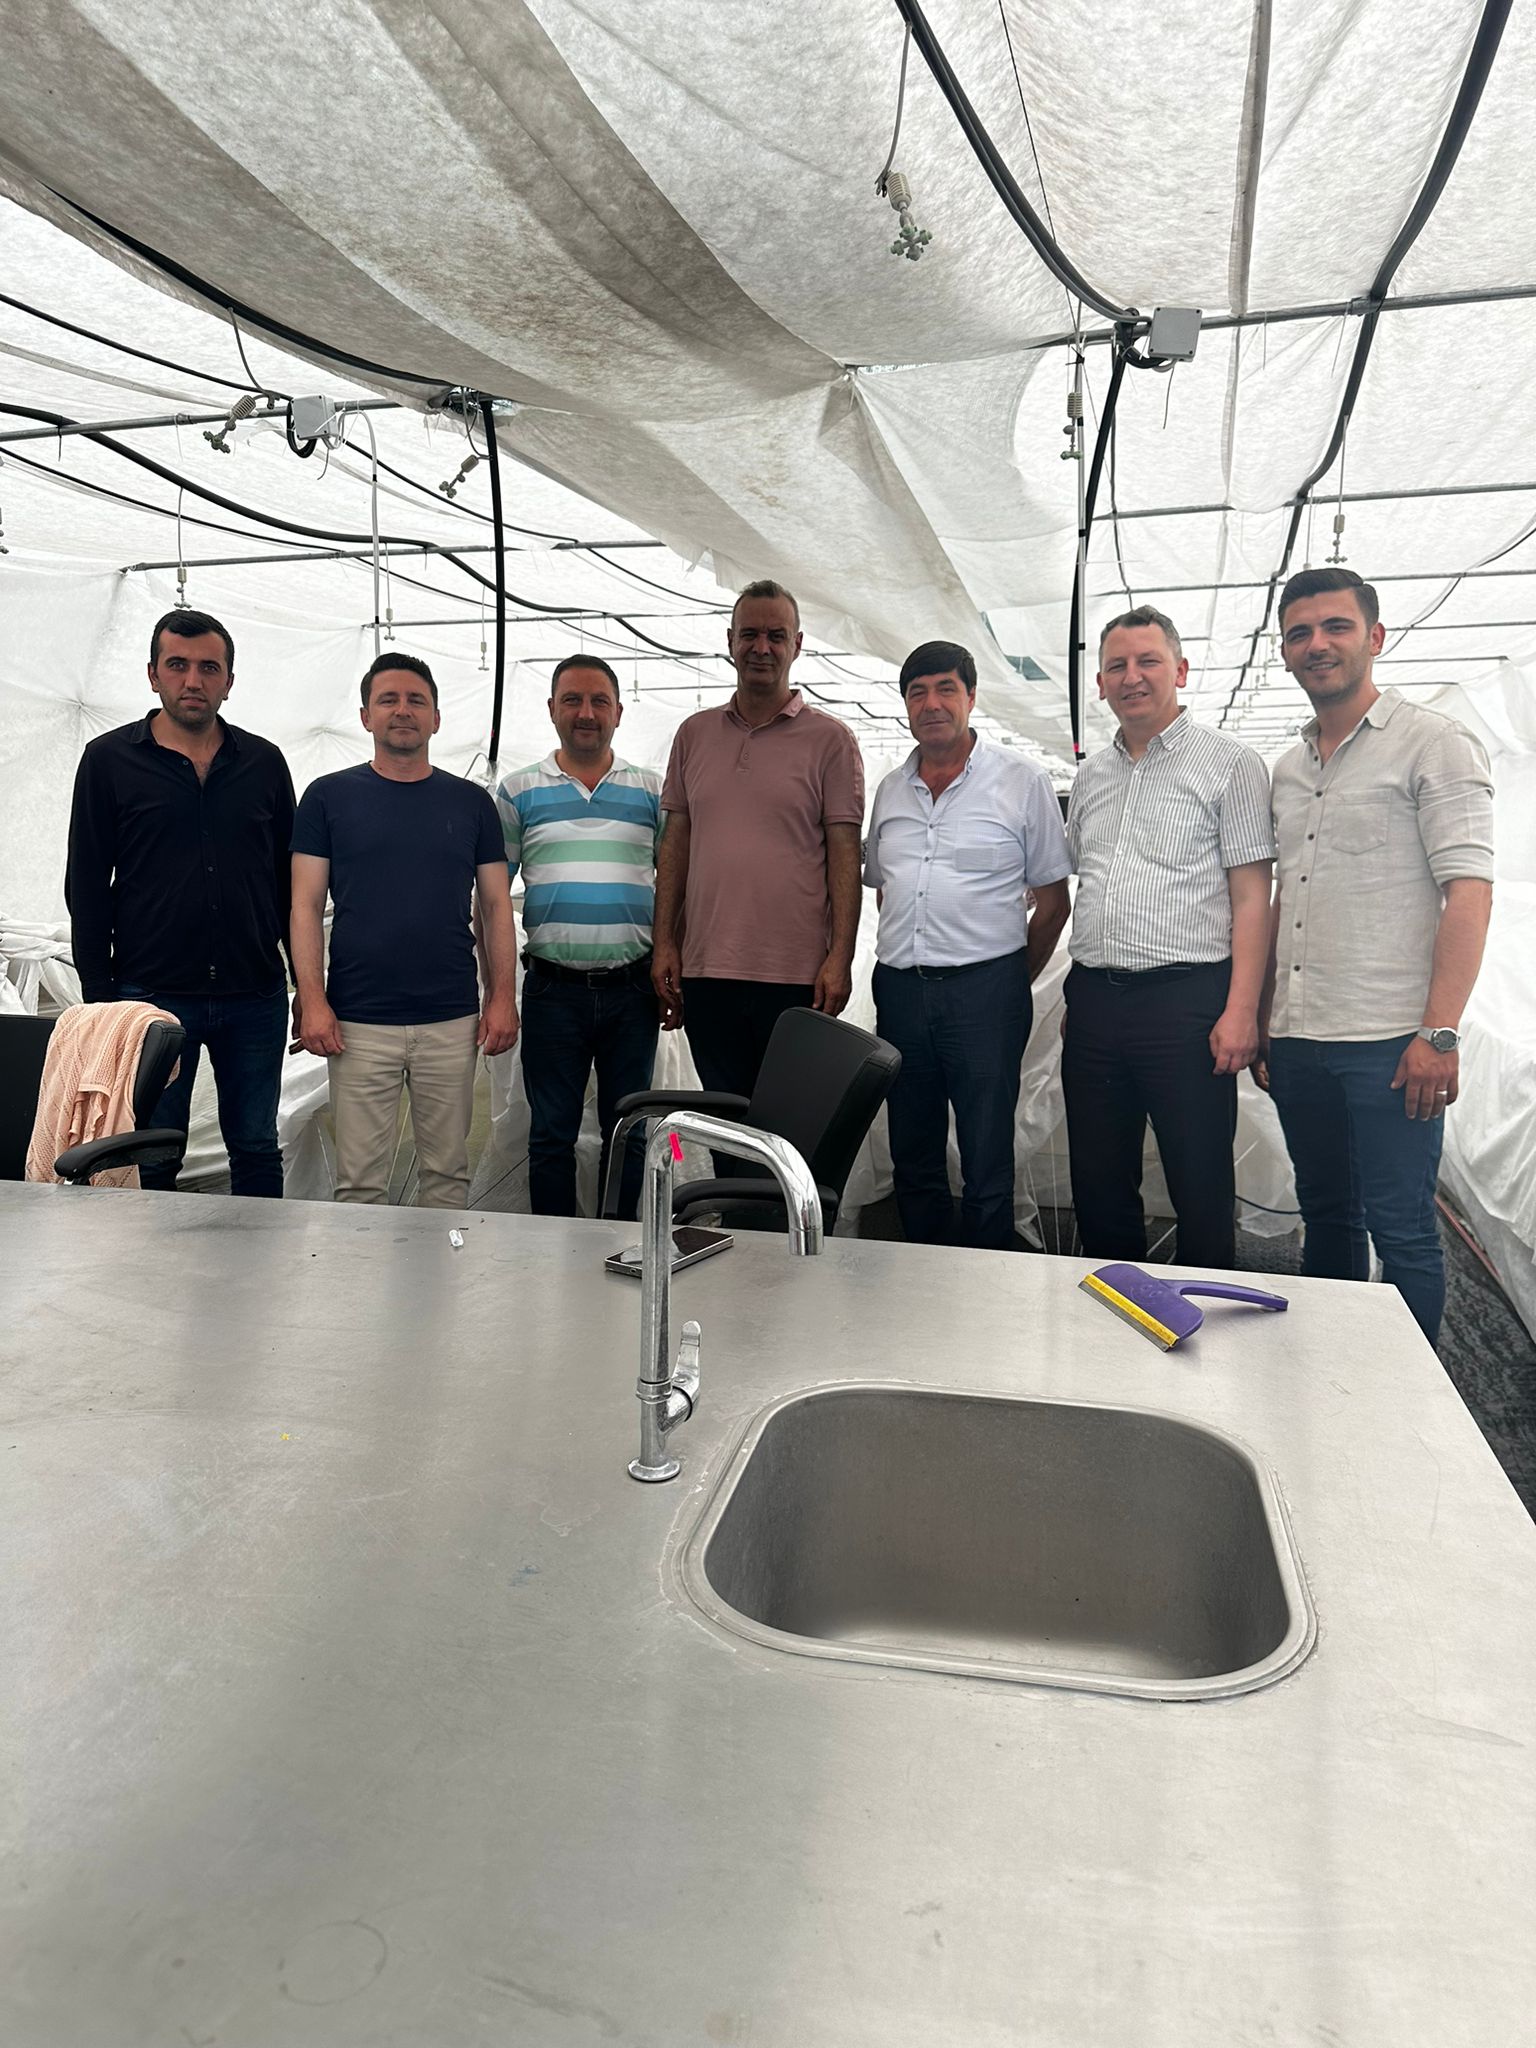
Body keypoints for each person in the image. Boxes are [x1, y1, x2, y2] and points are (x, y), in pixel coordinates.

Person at [1257, 567, 1494, 1345]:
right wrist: (1263, 1019)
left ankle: (1410, 1398)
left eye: (1336, 626)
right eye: (1299, 633)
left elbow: (1469, 893)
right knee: (1326, 1214)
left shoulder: (1433, 743)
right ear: (1284, 651)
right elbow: (1286, 899)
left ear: (1376, 637)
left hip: (1390, 1044)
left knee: (1403, 1230)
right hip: (1300, 1039)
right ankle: (1331, 1372)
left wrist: (1439, 1033)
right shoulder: (1288, 769)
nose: (1316, 644)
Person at [1063, 605, 1275, 1269]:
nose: (1132, 676)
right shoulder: (1091, 776)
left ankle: (1205, 1313)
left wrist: (1242, 1011)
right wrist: (1082, 997)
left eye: (1148, 661)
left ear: (1180, 670)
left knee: (1198, 1176)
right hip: (1095, 1000)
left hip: (1186, 1003)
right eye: (1117, 665)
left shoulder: (1229, 764)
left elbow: (1253, 897)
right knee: (1098, 1178)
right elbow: (1090, 884)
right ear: (1100, 682)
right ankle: (1117, 1307)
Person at [65, 607, 296, 1198]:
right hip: (150, 997)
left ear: (229, 681)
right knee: (151, 1155)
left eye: (209, 668)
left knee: (256, 1146)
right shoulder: (108, 761)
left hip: (254, 994)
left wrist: (306, 988)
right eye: (177, 665)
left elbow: (288, 883)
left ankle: (261, 1256)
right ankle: (154, 1261)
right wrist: (101, 1001)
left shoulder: (264, 764)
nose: (193, 680)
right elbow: (87, 884)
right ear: (153, 674)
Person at [290, 652, 518, 1207]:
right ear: (365, 715)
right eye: (388, 699)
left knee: (446, 1175)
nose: (402, 710)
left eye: (416, 700)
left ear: (436, 718)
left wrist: (501, 998)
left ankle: (440, 1268)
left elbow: (495, 906)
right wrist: (312, 999)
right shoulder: (327, 797)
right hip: (358, 1019)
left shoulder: (471, 803)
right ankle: (363, 1269)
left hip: (450, 1017)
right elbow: (305, 905)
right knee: (360, 1182)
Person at [864, 641, 1070, 1250]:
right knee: (913, 1145)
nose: (932, 704)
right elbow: (887, 889)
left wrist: (1008, 978)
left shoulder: (1021, 782)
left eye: (946, 689)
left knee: (986, 1148)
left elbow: (1053, 903)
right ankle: (926, 1265)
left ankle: (987, 1274)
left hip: (986, 990)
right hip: (901, 989)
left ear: (972, 697)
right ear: (906, 705)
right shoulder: (890, 790)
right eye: (917, 693)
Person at [652, 580, 864, 1105]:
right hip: (707, 969)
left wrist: (840, 957)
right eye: (749, 634)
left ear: (798, 644)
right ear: (730, 641)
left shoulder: (830, 741)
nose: (761, 648)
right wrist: (665, 942)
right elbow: (675, 845)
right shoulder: (694, 735)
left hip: (795, 975)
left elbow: (844, 855)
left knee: (788, 1119)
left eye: (776, 635)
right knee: (727, 1116)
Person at [494, 655, 662, 1218]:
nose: (586, 713)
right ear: (552, 709)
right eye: (572, 700)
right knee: (550, 1136)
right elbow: (492, 899)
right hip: (552, 991)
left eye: (598, 702)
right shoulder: (517, 792)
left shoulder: (652, 792)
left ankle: (622, 1243)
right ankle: (555, 1251)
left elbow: (675, 891)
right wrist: (497, 991)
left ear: (619, 711)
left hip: (633, 992)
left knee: (629, 1132)